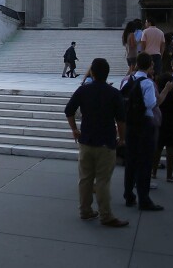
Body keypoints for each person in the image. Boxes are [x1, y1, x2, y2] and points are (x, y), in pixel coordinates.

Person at [65, 58, 129, 228]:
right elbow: (121, 121)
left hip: (86, 141)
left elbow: (68, 110)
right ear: (107, 73)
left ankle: (85, 211)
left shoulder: (83, 90)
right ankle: (106, 215)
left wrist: (74, 130)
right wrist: (122, 138)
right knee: (103, 180)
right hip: (106, 143)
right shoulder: (114, 93)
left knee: (85, 179)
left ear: (92, 72)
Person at [122, 52, 164, 211]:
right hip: (144, 124)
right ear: (149, 65)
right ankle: (144, 198)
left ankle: (128, 195)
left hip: (130, 124)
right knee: (145, 162)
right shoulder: (147, 83)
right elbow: (151, 103)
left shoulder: (127, 80)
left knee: (131, 161)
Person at [151, 71, 173, 183]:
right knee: (170, 152)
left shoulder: (158, 95)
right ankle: (169, 176)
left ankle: (153, 172)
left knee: (157, 150)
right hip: (171, 125)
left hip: (159, 124)